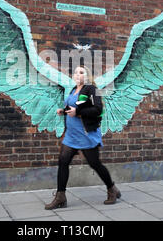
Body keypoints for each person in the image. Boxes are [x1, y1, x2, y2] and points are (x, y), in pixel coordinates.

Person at [44, 65, 121, 210]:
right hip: (72, 135)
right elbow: (73, 107)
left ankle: (112, 189)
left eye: (81, 72)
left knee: (95, 164)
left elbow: (98, 109)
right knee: (63, 161)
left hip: (86, 134)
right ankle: (60, 196)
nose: (77, 74)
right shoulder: (73, 89)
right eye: (75, 72)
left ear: (87, 76)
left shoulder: (91, 89)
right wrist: (64, 111)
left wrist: (77, 112)